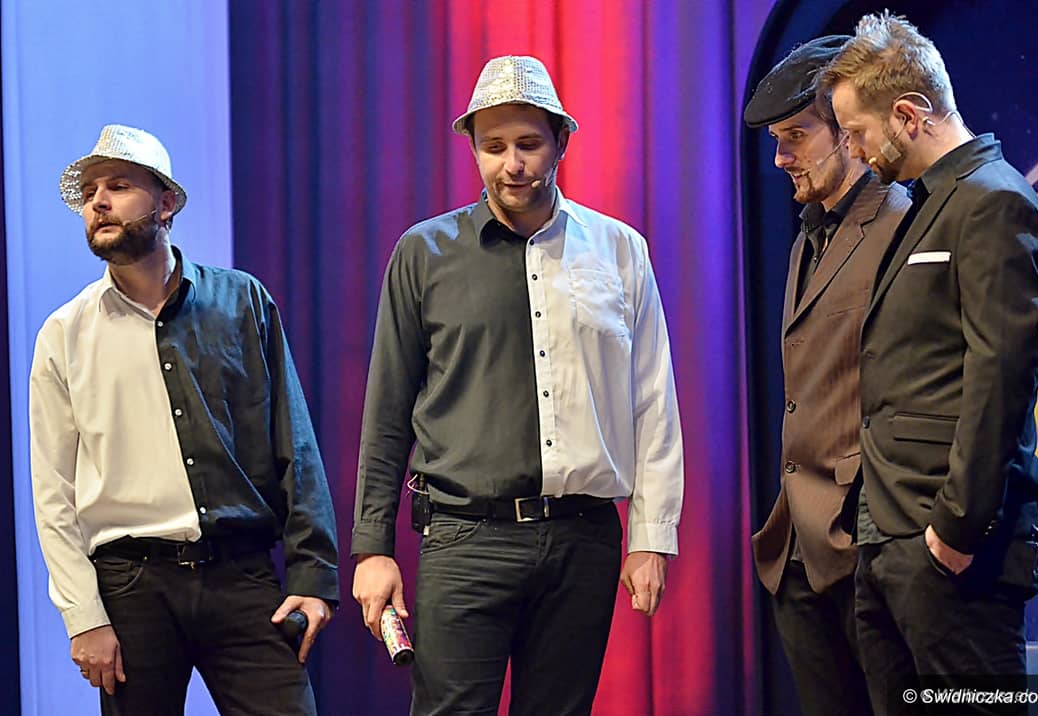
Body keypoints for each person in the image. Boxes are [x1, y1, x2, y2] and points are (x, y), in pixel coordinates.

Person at [350, 55, 684, 715]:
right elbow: (387, 411)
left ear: (562, 142)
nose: (512, 164)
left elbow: (653, 400)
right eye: (493, 146)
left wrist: (652, 535)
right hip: (465, 537)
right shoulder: (424, 253)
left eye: (529, 144)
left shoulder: (619, 250)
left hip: (583, 537)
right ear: (473, 149)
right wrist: (372, 549)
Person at [29, 124, 339, 716]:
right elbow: (53, 492)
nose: (99, 203)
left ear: (166, 202)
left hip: (240, 573)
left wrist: (314, 576)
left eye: (118, 186)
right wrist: (83, 616)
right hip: (131, 586)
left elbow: (294, 445)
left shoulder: (241, 301)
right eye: (90, 193)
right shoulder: (64, 333)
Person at [819, 13, 1038, 714]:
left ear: (908, 113)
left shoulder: (994, 202)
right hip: (890, 541)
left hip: (951, 551)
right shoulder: (929, 205)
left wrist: (954, 529)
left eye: (858, 132)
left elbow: (999, 380)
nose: (855, 151)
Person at [743, 35, 909, 716]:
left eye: (796, 136)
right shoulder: (808, 235)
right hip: (799, 552)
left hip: (866, 547)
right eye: (776, 141)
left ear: (848, 128)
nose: (780, 158)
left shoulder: (901, 223)